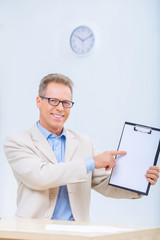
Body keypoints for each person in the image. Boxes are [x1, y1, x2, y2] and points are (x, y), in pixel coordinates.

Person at [4, 73, 159, 221]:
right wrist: (90, 162)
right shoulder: (17, 142)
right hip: (32, 233)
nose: (60, 108)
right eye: (53, 100)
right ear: (39, 101)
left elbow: (104, 184)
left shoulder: (85, 142)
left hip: (76, 233)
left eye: (66, 103)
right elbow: (40, 176)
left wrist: (139, 182)